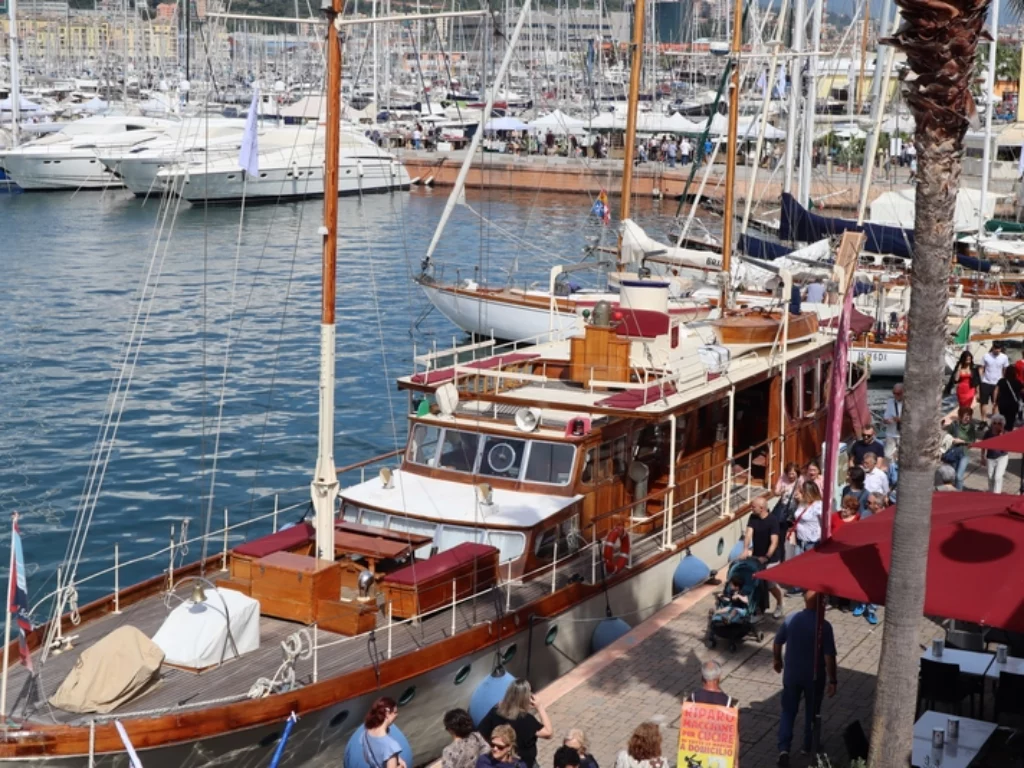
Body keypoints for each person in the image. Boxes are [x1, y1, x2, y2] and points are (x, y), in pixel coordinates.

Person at [774, 591, 838, 767]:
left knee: (788, 711)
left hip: (792, 675)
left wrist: (777, 659)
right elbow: (829, 657)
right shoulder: (823, 626)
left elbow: (778, 641)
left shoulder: (791, 619)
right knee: (812, 711)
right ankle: (807, 745)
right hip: (814, 678)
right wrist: (833, 680)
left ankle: (784, 749)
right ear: (820, 603)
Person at [478, 679, 553, 768]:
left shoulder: (495, 712)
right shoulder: (527, 720)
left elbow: (481, 732)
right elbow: (549, 733)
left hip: (499, 761)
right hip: (524, 763)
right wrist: (540, 707)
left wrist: (496, 747)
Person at [740, 497, 785, 618]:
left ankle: (780, 602)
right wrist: (745, 549)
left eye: (753, 507)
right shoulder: (753, 517)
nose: (751, 508)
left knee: (770, 585)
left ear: (762, 508)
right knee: (757, 583)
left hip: (771, 558)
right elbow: (749, 533)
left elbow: (774, 541)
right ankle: (759, 608)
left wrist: (767, 556)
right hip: (756, 556)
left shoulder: (772, 520)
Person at [362, 697, 407, 768]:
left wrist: (398, 758)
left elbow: (367, 758)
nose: (396, 715)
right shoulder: (391, 745)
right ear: (387, 713)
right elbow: (389, 750)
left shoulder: (366, 733)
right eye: (395, 713)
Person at [945, 406, 978, 490]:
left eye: (969, 416)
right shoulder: (954, 425)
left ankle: (958, 496)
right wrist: (953, 440)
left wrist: (962, 442)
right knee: (953, 476)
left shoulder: (971, 427)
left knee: (959, 476)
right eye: (965, 415)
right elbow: (946, 436)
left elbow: (972, 441)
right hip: (953, 453)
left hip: (964, 454)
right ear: (960, 416)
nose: (967, 418)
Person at [788, 482, 822, 558]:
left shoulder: (818, 505)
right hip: (799, 541)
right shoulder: (802, 503)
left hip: (812, 542)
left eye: (801, 491)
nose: (798, 493)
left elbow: (825, 523)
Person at [980, 342, 1010, 418]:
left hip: (998, 383)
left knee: (996, 403)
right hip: (986, 382)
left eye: (999, 349)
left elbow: (1005, 370)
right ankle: (983, 420)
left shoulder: (1004, 357)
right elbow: (981, 368)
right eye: (996, 348)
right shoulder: (986, 356)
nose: (997, 350)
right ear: (993, 347)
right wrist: (981, 380)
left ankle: (994, 420)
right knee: (984, 403)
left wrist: (1004, 381)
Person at [982, 414, 1010, 493]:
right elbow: (983, 445)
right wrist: (982, 457)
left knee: (998, 477)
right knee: (990, 477)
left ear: (1003, 424)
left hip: (1002, 457)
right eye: (995, 423)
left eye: (999, 423)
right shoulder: (988, 433)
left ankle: (997, 494)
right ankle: (991, 492)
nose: (997, 425)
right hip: (990, 457)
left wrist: (1001, 436)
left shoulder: (1005, 433)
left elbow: (1008, 446)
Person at [882, 383, 904, 459]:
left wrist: (900, 419)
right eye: (894, 393)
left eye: (898, 393)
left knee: (902, 456)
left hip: (903, 434)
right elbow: (885, 416)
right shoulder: (890, 402)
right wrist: (886, 420)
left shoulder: (908, 403)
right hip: (891, 433)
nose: (895, 395)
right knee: (887, 455)